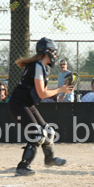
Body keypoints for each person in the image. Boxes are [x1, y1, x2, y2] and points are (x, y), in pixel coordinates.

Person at [8, 37, 73, 177]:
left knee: (48, 131)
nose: (55, 56)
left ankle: (49, 159)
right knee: (36, 133)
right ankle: (22, 166)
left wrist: (59, 91)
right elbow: (42, 93)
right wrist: (60, 90)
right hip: (18, 104)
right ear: (47, 52)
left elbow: (42, 93)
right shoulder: (37, 65)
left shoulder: (41, 67)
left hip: (27, 103)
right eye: (54, 53)